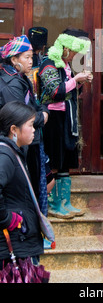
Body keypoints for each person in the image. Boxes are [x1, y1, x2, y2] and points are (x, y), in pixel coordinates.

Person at [38, 28, 92, 219]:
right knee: (54, 160)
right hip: (51, 118)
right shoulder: (49, 63)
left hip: (65, 116)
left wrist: (79, 82)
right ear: (66, 48)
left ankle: (64, 202)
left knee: (65, 160)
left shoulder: (65, 64)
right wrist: (76, 79)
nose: (77, 55)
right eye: (75, 51)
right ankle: (53, 203)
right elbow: (56, 92)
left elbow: (67, 91)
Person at [0, 35, 51, 215]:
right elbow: (19, 116)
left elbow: (36, 105)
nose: (31, 61)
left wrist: (42, 111)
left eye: (31, 57)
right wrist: (41, 117)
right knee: (27, 189)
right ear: (14, 59)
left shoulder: (20, 77)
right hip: (20, 142)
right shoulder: (11, 82)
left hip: (29, 139)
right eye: (27, 57)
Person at [0, 101, 44, 271]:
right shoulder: (5, 154)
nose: (34, 129)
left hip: (21, 241)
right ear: (14, 129)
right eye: (30, 125)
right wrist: (7, 219)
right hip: (15, 244)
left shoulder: (15, 151)